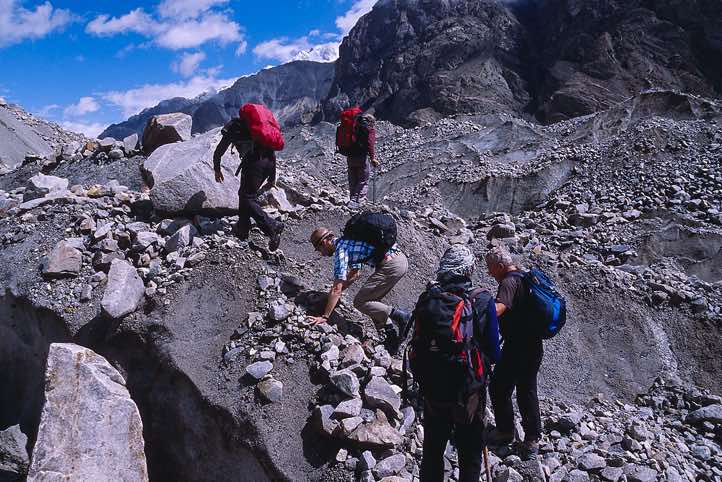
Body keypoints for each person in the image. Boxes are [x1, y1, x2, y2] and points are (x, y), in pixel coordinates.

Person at [415, 245, 501, 482]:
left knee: (433, 449)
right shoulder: (482, 299)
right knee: (470, 451)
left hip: (433, 388)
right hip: (468, 391)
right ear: (468, 269)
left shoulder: (429, 297)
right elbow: (494, 351)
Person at [307, 224, 409, 352]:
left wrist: (325, 316)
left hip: (391, 265)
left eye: (318, 249)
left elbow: (337, 288)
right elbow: (355, 274)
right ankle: (391, 338)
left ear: (324, 242)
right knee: (372, 302)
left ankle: (400, 316)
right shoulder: (348, 242)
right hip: (399, 260)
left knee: (360, 302)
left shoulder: (341, 250)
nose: (321, 254)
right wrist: (334, 295)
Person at [485, 246, 543, 460]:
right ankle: (532, 439)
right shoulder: (525, 275)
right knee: (527, 389)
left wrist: (480, 309)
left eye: (491, 269)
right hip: (533, 344)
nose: (490, 273)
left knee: (499, 387)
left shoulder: (509, 282)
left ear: (500, 266)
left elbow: (499, 309)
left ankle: (506, 431)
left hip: (517, 346)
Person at [212, 115, 284, 251]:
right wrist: (272, 177)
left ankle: (272, 227)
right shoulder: (257, 130)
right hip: (268, 162)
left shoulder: (233, 128)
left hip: (254, 163)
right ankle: (243, 230)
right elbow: (271, 151)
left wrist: (217, 169)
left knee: (247, 197)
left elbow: (219, 151)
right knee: (245, 194)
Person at [336, 108, 377, 208]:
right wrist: (373, 158)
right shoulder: (368, 130)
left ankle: (352, 200)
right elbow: (370, 144)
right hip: (361, 158)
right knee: (363, 180)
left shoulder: (352, 128)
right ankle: (357, 201)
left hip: (350, 156)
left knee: (353, 179)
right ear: (371, 122)